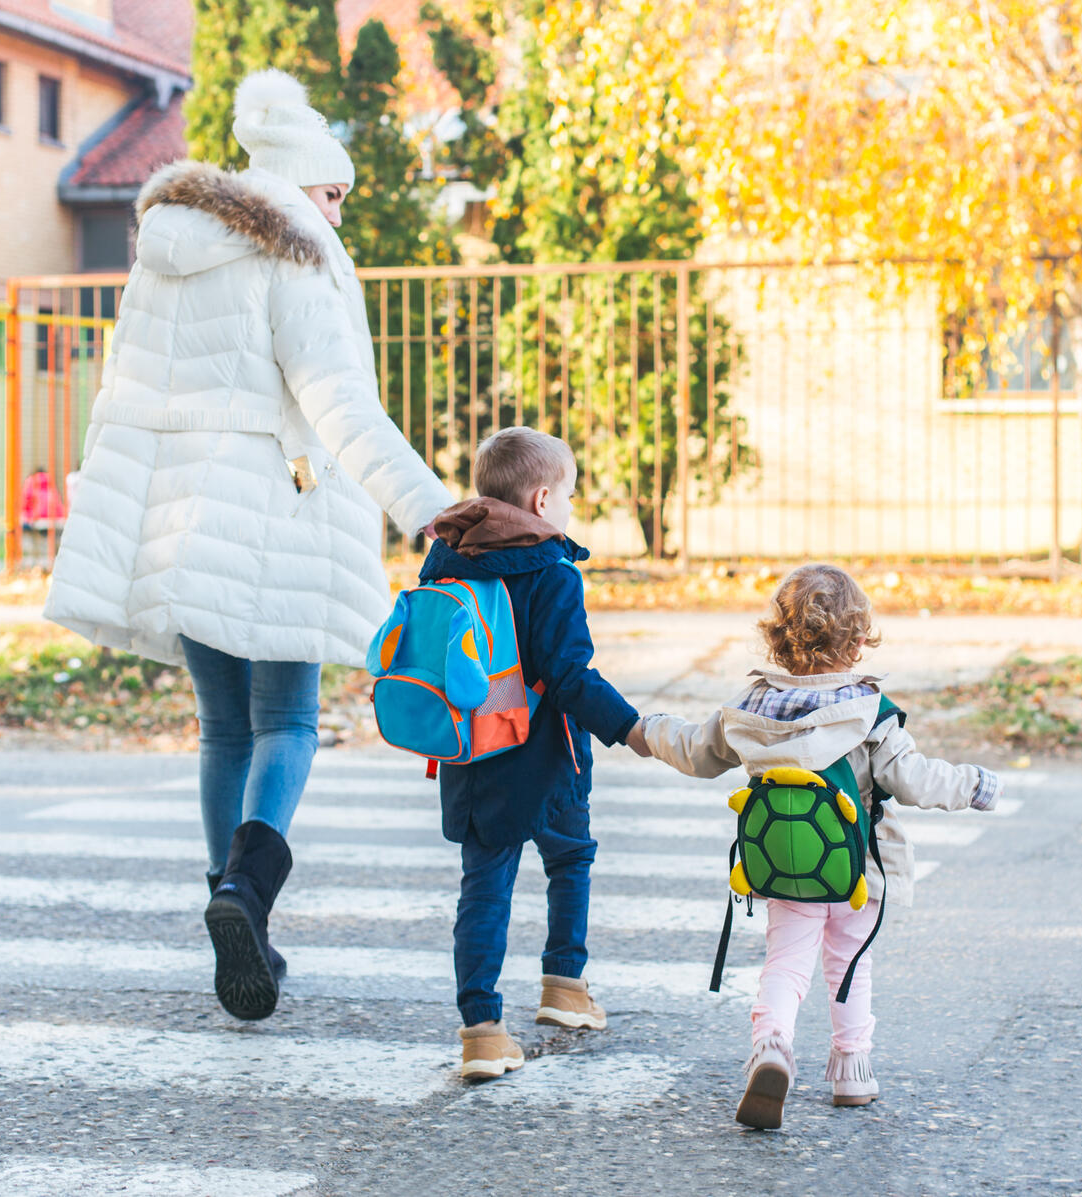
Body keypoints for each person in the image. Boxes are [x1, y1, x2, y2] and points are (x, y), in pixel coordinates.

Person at [43, 69, 453, 1022]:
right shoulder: (297, 251)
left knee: (222, 728)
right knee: (289, 722)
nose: (338, 213)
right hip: (274, 511)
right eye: (335, 193)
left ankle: (241, 914)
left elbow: (125, 395)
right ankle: (248, 890)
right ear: (301, 183)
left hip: (175, 519)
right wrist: (424, 504)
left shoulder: (167, 249)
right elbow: (336, 401)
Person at [638, 564, 1001, 1130]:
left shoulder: (752, 706)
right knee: (849, 961)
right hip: (857, 868)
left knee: (785, 965)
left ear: (779, 638)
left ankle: (772, 1048)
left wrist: (645, 729)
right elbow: (915, 780)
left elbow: (694, 751)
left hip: (783, 865)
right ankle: (851, 1066)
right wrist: (975, 785)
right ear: (857, 641)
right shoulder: (869, 713)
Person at [415, 426, 652, 1082]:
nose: (571, 510)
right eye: (569, 497)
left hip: (470, 752)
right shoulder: (551, 571)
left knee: (484, 887)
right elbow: (570, 676)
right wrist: (631, 727)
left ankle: (483, 1030)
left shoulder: (444, 557)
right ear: (543, 499)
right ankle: (564, 986)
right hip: (548, 756)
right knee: (570, 856)